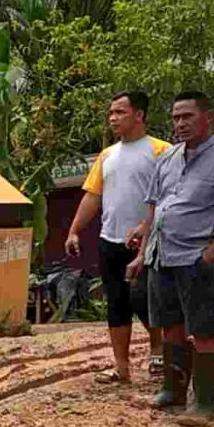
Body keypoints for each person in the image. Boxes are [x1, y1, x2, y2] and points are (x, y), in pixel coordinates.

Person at [127, 91, 214, 426]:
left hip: (196, 258)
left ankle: (204, 405)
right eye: (176, 117)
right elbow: (153, 207)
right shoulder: (167, 157)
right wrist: (142, 252)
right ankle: (173, 391)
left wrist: (211, 255)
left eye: (188, 116)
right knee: (170, 326)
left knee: (203, 330)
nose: (181, 123)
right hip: (161, 256)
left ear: (207, 118)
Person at [65, 91, 168, 384]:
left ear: (139, 115)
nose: (113, 118)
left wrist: (147, 227)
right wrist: (74, 229)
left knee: (146, 299)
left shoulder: (162, 151)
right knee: (117, 304)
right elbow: (92, 196)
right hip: (110, 239)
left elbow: (171, 196)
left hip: (149, 241)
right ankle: (121, 367)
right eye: (111, 113)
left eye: (120, 112)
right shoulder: (107, 155)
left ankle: (158, 350)